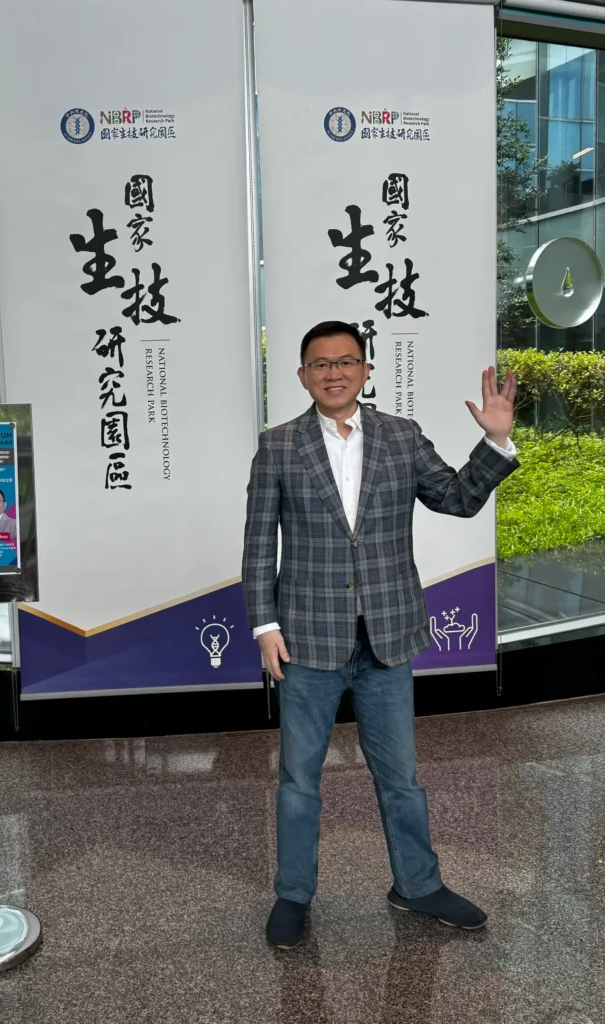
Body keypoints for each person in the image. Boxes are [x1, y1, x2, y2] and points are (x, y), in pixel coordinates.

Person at [242, 320, 518, 949]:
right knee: (298, 779)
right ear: (303, 375)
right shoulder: (279, 446)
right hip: (306, 640)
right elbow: (260, 543)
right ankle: (293, 894)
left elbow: (455, 498)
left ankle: (418, 885)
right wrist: (264, 624)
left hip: (388, 635)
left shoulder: (401, 436)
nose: (333, 372)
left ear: (366, 370)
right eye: (319, 364)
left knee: (401, 778)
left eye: (346, 361)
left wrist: (496, 443)